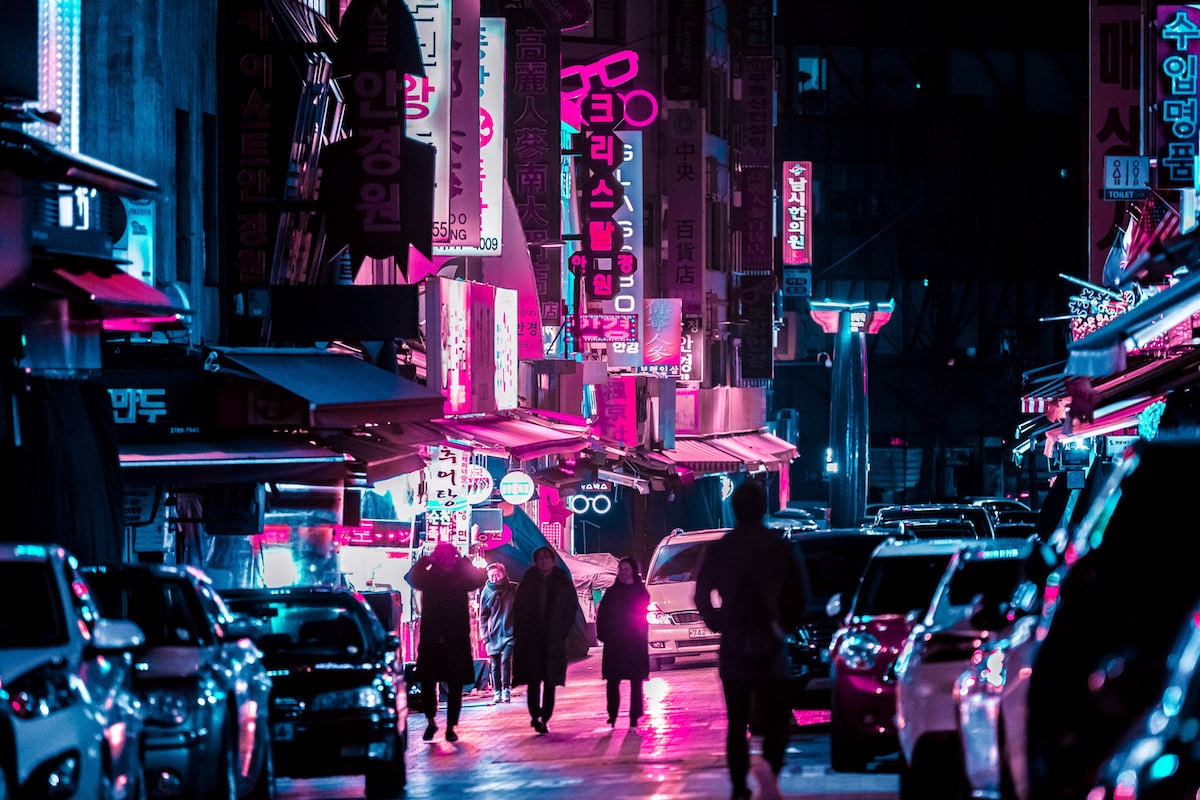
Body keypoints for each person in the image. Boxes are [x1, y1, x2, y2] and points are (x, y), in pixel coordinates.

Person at [695, 480, 808, 800]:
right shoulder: (780, 547)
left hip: (733, 648)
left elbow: (702, 595)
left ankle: (739, 786)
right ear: (764, 507)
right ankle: (770, 770)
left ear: (734, 508)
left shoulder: (719, 549)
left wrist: (719, 623)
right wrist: (783, 625)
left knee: (737, 721)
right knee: (776, 720)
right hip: (772, 647)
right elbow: (799, 596)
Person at [404, 540, 486, 743]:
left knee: (455, 684)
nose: (445, 561)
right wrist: (426, 560)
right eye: (441, 557)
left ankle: (450, 726)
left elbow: (478, 579)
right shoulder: (429, 577)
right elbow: (411, 578)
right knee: (428, 681)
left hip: (455, 638)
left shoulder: (461, 577)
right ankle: (431, 720)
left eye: (449, 557)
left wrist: (463, 562)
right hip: (432, 638)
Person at [512, 545, 581, 734]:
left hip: (553, 637)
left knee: (550, 680)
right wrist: (520, 631)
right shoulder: (528, 581)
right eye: (539, 558)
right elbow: (518, 609)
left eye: (546, 558)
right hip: (532, 638)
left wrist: (563, 629)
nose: (543, 561)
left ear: (553, 560)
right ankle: (535, 715)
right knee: (533, 679)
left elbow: (571, 608)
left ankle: (546, 715)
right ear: (535, 562)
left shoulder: (562, 582)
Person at [595, 556, 650, 728]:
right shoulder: (612, 593)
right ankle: (612, 714)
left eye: (626, 569)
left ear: (633, 571)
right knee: (613, 681)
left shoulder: (641, 592)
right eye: (621, 569)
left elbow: (642, 614)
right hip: (615, 643)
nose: (623, 573)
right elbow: (602, 616)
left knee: (636, 681)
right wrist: (603, 634)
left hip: (634, 643)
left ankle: (635, 716)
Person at [479, 561, 518, 704]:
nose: (495, 578)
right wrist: (484, 635)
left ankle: (506, 689)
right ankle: (497, 691)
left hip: (509, 632)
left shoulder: (513, 588)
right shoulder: (486, 591)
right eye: (492, 576)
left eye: (497, 575)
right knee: (494, 664)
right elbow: (483, 615)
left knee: (506, 660)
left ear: (503, 574)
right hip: (493, 633)